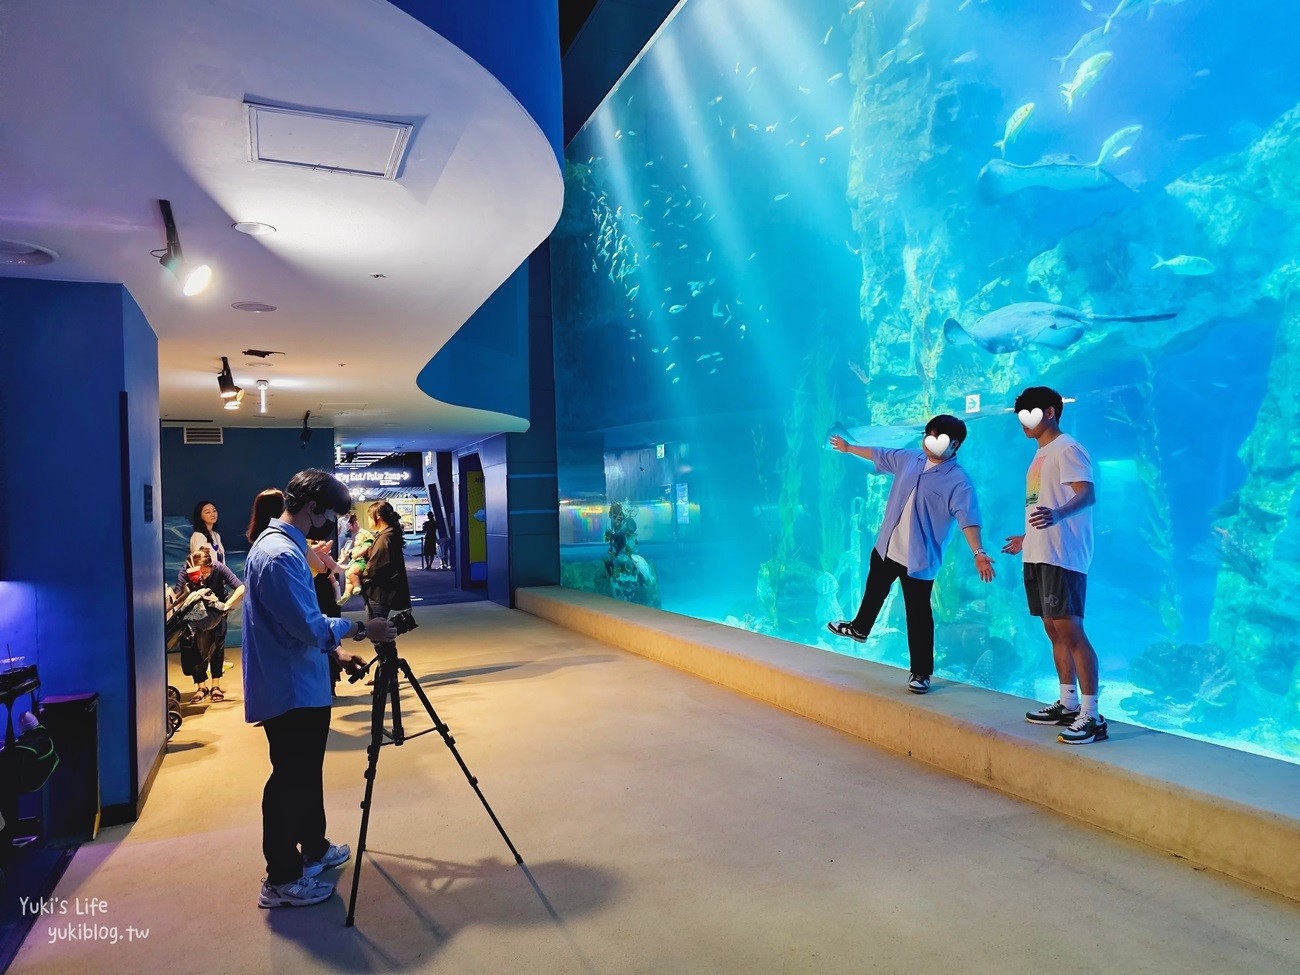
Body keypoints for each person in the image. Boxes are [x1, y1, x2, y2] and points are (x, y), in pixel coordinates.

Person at [242, 469, 397, 908]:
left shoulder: (286, 550)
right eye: (330, 513)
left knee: (306, 772)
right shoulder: (279, 556)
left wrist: (336, 655)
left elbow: (295, 623)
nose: (330, 521)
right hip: (289, 691)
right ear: (312, 508)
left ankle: (312, 847)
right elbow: (308, 625)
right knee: (290, 779)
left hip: (301, 680)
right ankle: (281, 878)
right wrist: (363, 628)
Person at [825, 415, 995, 694]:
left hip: (919, 559)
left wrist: (978, 552)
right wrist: (848, 448)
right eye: (929, 434)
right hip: (887, 546)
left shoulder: (959, 481)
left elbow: (969, 519)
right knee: (874, 590)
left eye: (939, 438)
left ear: (955, 445)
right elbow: (878, 453)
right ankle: (860, 628)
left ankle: (921, 673)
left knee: (918, 614)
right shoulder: (910, 459)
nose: (931, 442)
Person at [1001, 386, 1105, 744]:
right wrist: (1026, 539)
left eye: (1029, 414)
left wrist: (1059, 514)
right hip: (1039, 553)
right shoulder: (1041, 455)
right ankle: (1068, 702)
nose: (1024, 424)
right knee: (1053, 629)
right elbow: (1041, 504)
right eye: (1020, 417)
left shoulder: (1068, 448)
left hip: (1064, 555)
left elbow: (1086, 493)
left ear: (1049, 411)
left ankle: (1092, 715)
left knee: (1071, 630)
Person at [173, 547, 244, 703]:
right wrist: (187, 588)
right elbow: (177, 597)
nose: (203, 577)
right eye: (200, 573)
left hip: (217, 612)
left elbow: (241, 587)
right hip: (196, 614)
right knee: (195, 649)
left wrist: (226, 606)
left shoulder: (219, 567)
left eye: (206, 573)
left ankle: (215, 685)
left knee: (217, 646)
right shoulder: (186, 571)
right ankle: (201, 687)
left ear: (211, 567)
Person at [359, 501, 412, 667]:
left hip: (379, 592)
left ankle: (387, 672)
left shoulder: (385, 538)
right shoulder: (389, 535)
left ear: (378, 517)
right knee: (381, 632)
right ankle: (387, 670)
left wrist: (358, 575)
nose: (368, 520)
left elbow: (376, 567)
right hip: (383, 591)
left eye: (370, 516)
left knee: (378, 633)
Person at [337, 521, 375, 605]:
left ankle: (357, 586)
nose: (355, 541)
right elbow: (349, 552)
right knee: (348, 580)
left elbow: (364, 550)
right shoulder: (355, 547)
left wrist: (356, 554)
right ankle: (346, 594)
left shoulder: (366, 543)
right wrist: (345, 553)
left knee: (352, 573)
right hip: (352, 563)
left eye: (357, 539)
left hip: (359, 562)